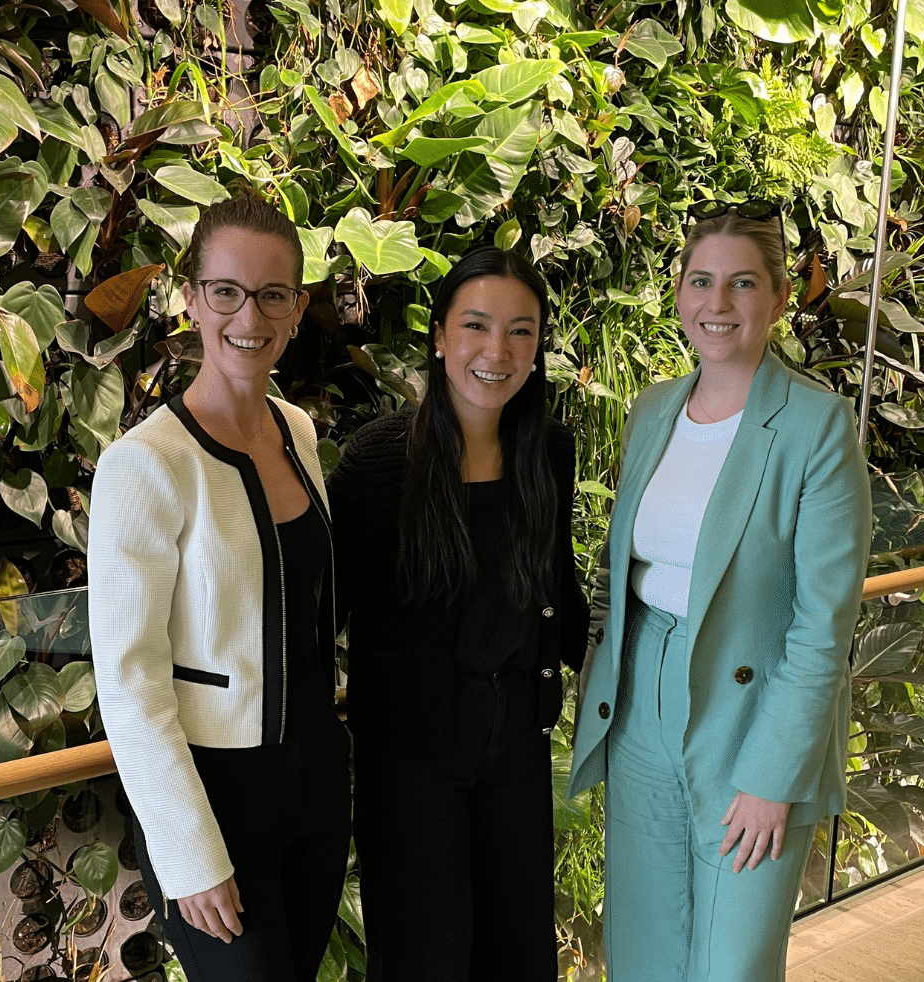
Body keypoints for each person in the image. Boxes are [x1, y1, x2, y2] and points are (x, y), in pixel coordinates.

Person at [567, 201, 873, 981]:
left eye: (742, 284)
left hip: (752, 717)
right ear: (678, 294)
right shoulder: (652, 411)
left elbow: (821, 626)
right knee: (643, 950)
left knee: (731, 965)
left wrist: (774, 777)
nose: (718, 303)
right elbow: (616, 576)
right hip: (642, 704)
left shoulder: (816, 427)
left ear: (777, 298)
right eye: (701, 281)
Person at [88, 195, 348, 982]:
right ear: (192, 299)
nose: (250, 315)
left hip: (316, 780)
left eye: (274, 294)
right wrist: (188, 849)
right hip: (215, 795)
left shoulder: (296, 430)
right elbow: (129, 681)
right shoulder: (146, 464)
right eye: (226, 291)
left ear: (298, 308)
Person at [329, 246, 588, 982]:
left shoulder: (548, 454)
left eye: (520, 332)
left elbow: (558, 596)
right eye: (476, 326)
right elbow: (327, 616)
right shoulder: (378, 463)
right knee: (423, 957)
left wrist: (631, 673)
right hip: (410, 761)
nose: (496, 351)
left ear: (538, 348)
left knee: (518, 950)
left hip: (515, 749)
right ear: (440, 335)